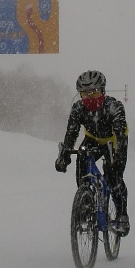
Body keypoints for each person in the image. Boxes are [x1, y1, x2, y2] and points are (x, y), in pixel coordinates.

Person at [55, 70, 130, 236]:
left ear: (102, 91)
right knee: (81, 159)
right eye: (84, 94)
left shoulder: (114, 107)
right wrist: (64, 156)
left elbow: (121, 136)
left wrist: (117, 158)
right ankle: (86, 202)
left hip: (113, 140)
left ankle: (122, 215)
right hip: (93, 138)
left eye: (94, 93)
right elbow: (71, 133)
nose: (90, 98)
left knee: (113, 176)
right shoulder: (78, 108)